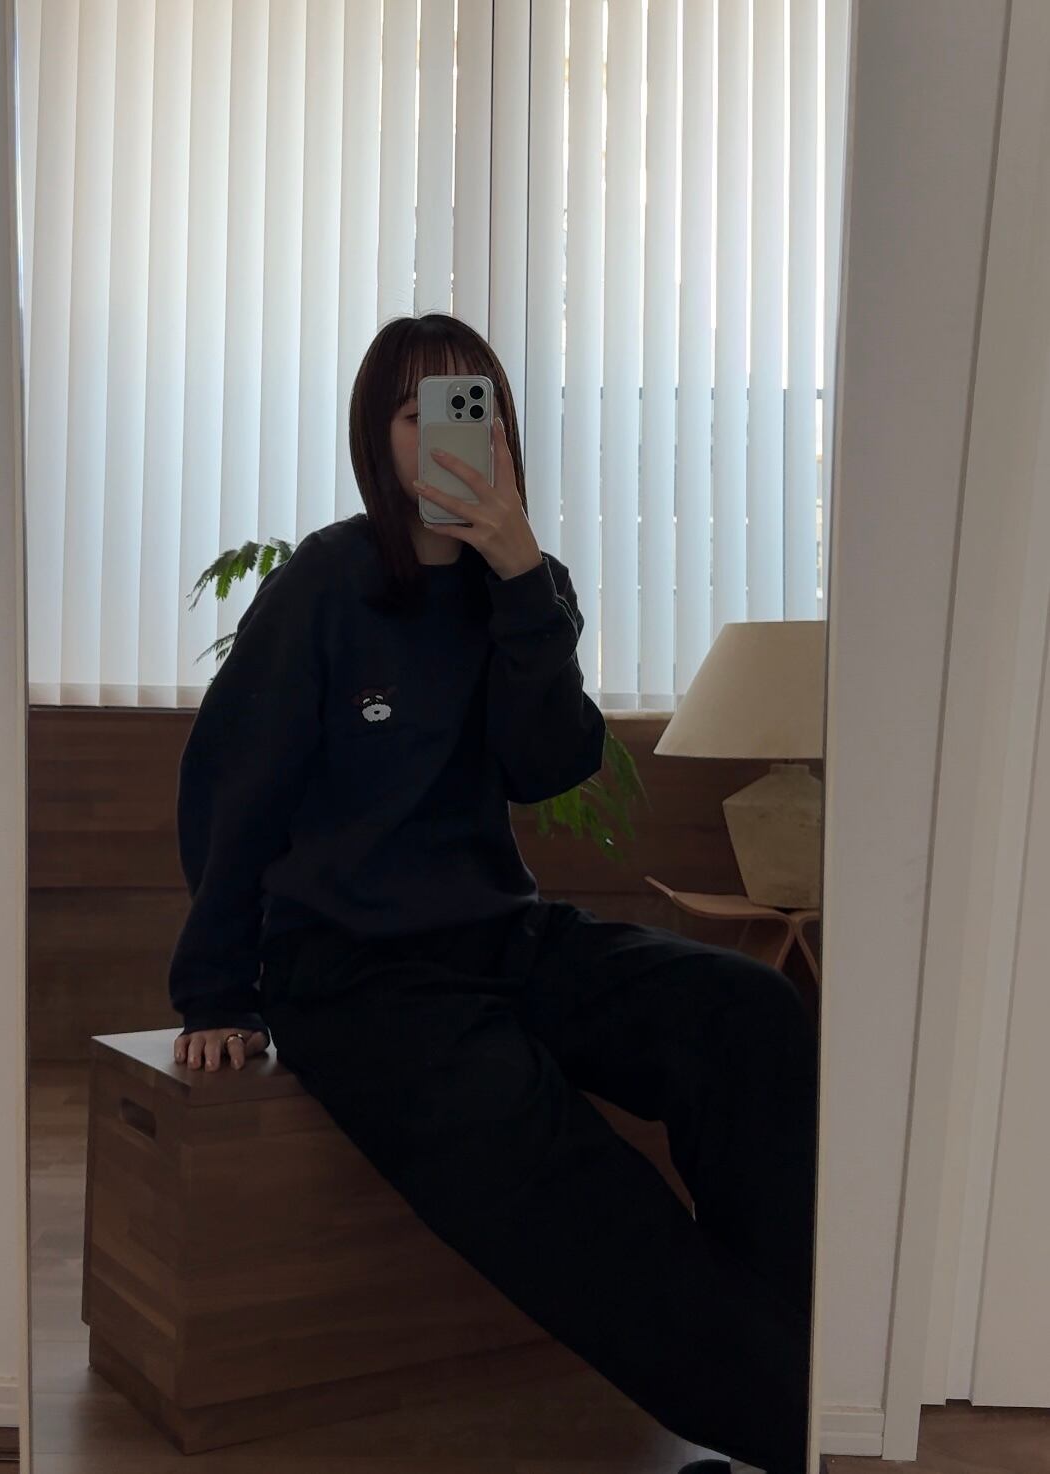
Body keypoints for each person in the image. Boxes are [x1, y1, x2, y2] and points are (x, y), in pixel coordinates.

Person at [168, 312, 819, 1474]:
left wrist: (521, 574)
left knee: (750, 1016)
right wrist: (215, 988)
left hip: (503, 935)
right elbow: (234, 785)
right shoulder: (325, 584)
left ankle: (809, 1387)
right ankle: (796, 1425)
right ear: (377, 440)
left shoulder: (523, 587)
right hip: (351, 971)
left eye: (473, 407)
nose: (447, 432)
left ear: (505, 432)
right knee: (560, 1166)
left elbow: (549, 763)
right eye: (414, 411)